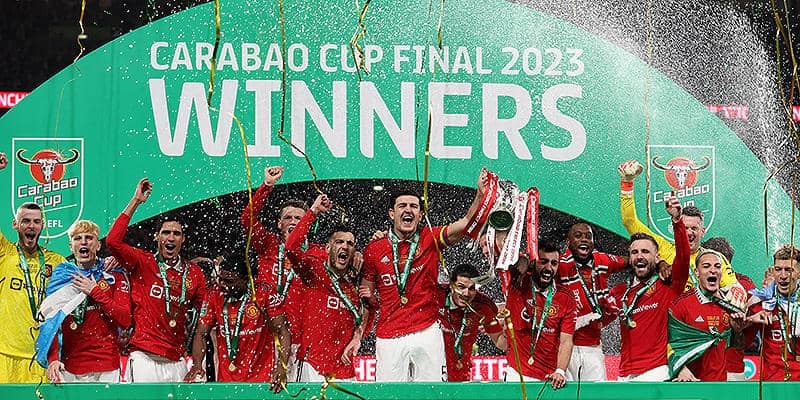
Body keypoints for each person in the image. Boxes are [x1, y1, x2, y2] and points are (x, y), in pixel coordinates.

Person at [359, 168, 488, 382]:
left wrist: (480, 195)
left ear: (420, 215)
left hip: (426, 330)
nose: (408, 210)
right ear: (391, 213)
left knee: (433, 392)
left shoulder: (430, 238)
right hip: (389, 334)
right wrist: (361, 326)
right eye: (402, 205)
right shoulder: (374, 249)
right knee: (389, 396)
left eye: (414, 206)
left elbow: (466, 223)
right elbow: (367, 297)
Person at [105, 178, 207, 382]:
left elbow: (205, 318)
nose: (171, 238)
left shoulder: (194, 274)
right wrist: (136, 201)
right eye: (166, 232)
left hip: (177, 361)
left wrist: (197, 363)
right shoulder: (142, 262)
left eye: (176, 234)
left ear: (183, 239)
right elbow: (112, 241)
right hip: (144, 359)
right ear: (157, 237)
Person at [617, 160, 745, 308]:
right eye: (685, 228)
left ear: (703, 232)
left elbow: (732, 286)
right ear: (676, 229)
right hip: (671, 317)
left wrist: (737, 290)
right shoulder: (663, 248)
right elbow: (630, 221)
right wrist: (627, 183)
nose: (689, 233)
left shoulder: (714, 258)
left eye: (694, 228)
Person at [240, 165, 320, 380]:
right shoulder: (267, 245)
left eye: (299, 218)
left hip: (301, 342)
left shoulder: (317, 254)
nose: (293, 222)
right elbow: (247, 220)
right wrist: (266, 186)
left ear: (307, 223)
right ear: (278, 223)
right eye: (288, 217)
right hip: (264, 338)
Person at [284, 194, 369, 381]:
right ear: (328, 248)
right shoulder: (314, 272)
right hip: (313, 367)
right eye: (339, 242)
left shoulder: (354, 286)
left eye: (350, 243)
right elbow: (291, 247)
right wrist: (313, 211)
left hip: (345, 372)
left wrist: (358, 336)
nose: (345, 246)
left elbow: (367, 315)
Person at [0, 153, 67, 383]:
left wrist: (107, 264)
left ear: (42, 225)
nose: (31, 226)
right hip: (4, 354)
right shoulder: (4, 253)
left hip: (40, 356)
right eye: (26, 221)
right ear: (15, 224)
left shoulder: (57, 261)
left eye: (36, 221)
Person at [184, 248, 290, 391]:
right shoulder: (214, 294)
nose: (222, 284)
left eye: (229, 281)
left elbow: (283, 331)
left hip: (263, 378)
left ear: (245, 279)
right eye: (221, 279)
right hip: (226, 380)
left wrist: (281, 366)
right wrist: (197, 365)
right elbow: (201, 333)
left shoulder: (264, 293)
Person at [609, 196, 689, 381]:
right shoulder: (619, 291)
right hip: (624, 374)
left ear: (657, 257)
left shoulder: (669, 285)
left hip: (656, 371)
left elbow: (683, 258)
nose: (639, 256)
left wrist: (677, 221)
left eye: (645, 252)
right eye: (634, 252)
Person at [40, 220, 131, 383]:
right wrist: (53, 358)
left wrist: (95, 291)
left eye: (89, 238)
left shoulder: (113, 273)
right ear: (71, 246)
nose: (83, 242)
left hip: (108, 365)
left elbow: (125, 319)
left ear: (98, 245)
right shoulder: (62, 275)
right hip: (70, 365)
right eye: (78, 238)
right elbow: (50, 320)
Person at [500, 241, 575, 390]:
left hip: (550, 377)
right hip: (517, 374)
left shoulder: (566, 298)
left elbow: (566, 341)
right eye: (543, 261)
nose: (549, 268)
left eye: (554, 263)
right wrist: (526, 260)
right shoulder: (518, 283)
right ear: (534, 263)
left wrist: (560, 371)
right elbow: (515, 262)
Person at [557, 222, 626, 381]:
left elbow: (631, 261)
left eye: (588, 236)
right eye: (578, 236)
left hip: (594, 347)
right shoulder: (559, 265)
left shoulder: (601, 260)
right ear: (568, 242)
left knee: (598, 393)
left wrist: (660, 263)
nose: (584, 239)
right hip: (564, 347)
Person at [667, 250, 743, 381]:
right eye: (706, 266)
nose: (713, 270)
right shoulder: (681, 305)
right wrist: (681, 369)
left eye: (717, 266)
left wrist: (738, 331)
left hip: (720, 383)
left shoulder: (730, 305)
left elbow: (737, 346)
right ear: (697, 272)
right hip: (691, 383)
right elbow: (669, 344)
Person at [700, 237, 757, 381]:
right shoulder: (747, 284)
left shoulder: (745, 286)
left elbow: (752, 324)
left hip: (725, 368)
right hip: (722, 368)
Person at [439, 263, 503, 382]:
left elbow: (500, 342)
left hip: (461, 375)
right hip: (431, 371)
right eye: (461, 287)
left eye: (471, 288)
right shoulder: (436, 296)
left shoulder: (483, 306)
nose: (466, 293)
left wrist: (509, 326)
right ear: (451, 285)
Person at [746, 245, 800, 381]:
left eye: (789, 270)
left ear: (799, 273)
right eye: (778, 269)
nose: (783, 276)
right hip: (772, 382)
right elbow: (739, 344)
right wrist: (749, 321)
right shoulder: (761, 303)